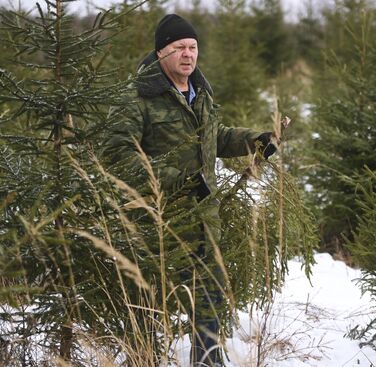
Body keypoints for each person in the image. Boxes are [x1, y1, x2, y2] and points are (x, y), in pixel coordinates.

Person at [102, 14, 276, 367]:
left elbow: (216, 136)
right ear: (160, 52)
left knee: (209, 299)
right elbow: (117, 155)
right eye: (179, 47)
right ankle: (143, 359)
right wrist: (175, 180)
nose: (187, 54)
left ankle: (208, 362)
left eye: (192, 47)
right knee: (149, 301)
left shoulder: (200, 92)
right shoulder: (137, 96)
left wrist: (253, 140)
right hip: (157, 222)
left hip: (203, 221)